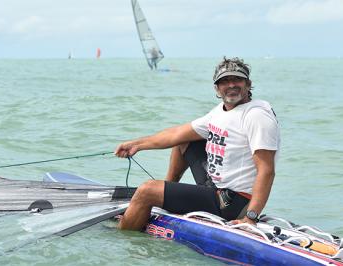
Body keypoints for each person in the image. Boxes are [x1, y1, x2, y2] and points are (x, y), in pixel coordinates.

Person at [115, 57, 280, 231]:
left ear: (248, 84)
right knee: (184, 140)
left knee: (146, 190)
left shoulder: (256, 116)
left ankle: (126, 234)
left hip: (234, 202)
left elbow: (266, 170)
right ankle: (164, 197)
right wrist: (137, 144)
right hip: (216, 187)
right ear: (217, 88)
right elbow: (177, 134)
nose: (231, 85)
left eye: (237, 79)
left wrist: (251, 217)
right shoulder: (221, 111)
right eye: (224, 81)